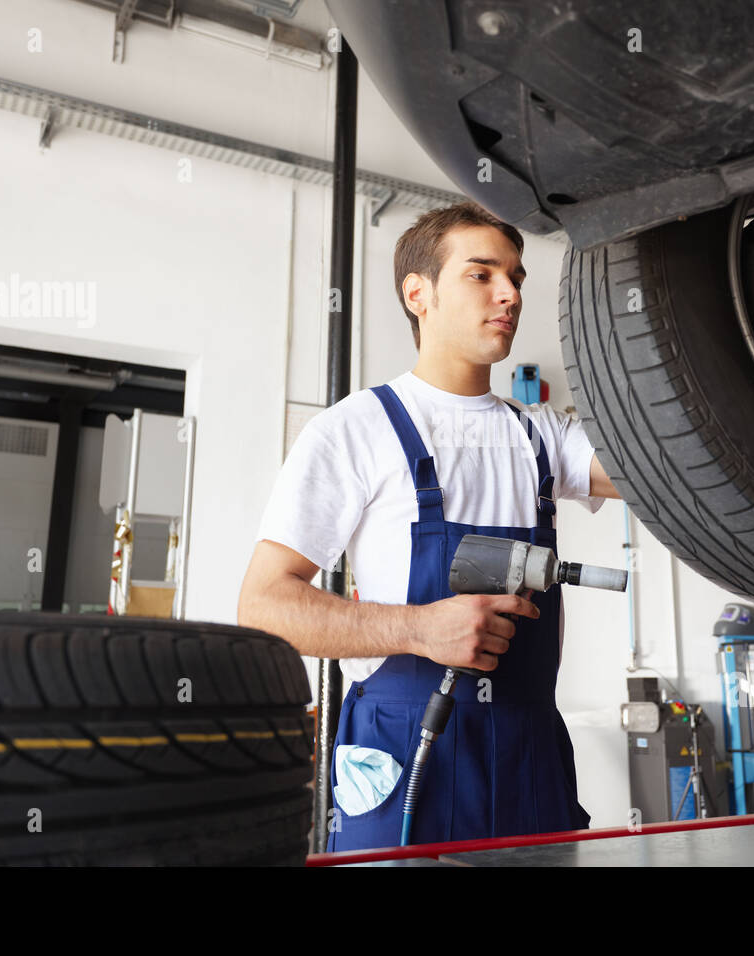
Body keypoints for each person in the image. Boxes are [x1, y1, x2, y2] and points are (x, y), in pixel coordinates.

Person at [237, 201, 620, 852]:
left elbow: (669, 473)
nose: (509, 294)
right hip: (405, 752)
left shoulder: (543, 436)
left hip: (530, 755)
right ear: (419, 293)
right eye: (481, 274)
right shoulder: (355, 430)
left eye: (517, 277)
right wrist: (418, 629)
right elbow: (264, 608)